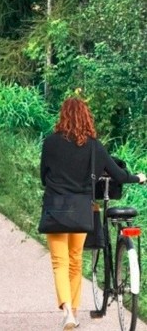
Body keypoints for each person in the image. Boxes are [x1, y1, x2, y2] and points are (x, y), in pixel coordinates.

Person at [39, 97, 146, 329]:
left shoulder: (50, 143)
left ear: (63, 116)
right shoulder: (94, 146)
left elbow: (42, 177)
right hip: (81, 210)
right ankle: (74, 313)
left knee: (60, 262)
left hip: (56, 208)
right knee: (75, 261)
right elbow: (118, 175)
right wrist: (138, 177)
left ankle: (67, 311)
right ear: (87, 117)